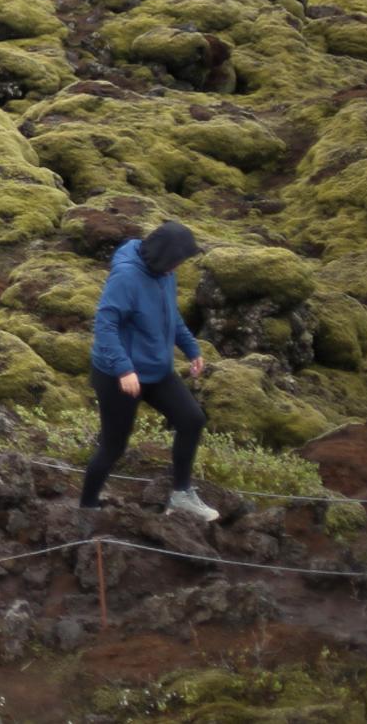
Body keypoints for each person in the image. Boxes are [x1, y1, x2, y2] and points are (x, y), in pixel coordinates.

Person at [81, 221, 219, 522]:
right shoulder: (126, 277)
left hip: (156, 370)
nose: (179, 266)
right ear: (162, 256)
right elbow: (105, 326)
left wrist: (191, 348)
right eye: (177, 260)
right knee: (113, 447)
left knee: (192, 419)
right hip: (119, 376)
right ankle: (87, 506)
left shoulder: (164, 273)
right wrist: (123, 368)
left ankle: (181, 495)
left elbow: (171, 315)